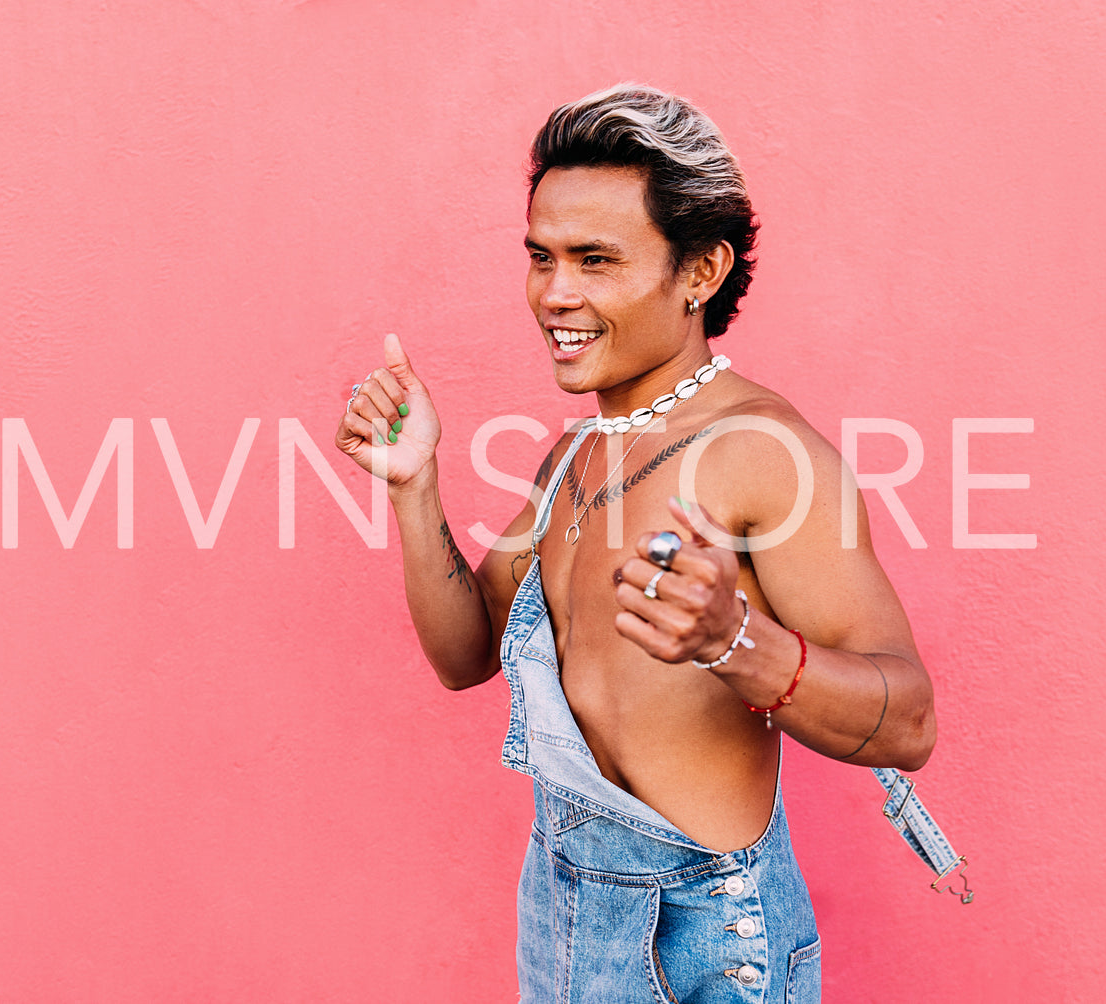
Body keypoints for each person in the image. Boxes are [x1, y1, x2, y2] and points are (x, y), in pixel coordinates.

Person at [335, 84, 937, 1003]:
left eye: (594, 260)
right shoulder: (574, 453)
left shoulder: (760, 453)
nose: (555, 294)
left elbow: (910, 721)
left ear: (699, 272)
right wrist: (416, 489)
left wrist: (735, 640)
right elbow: (466, 658)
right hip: (567, 912)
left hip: (708, 940)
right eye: (540, 258)